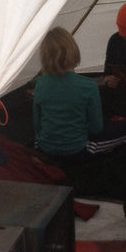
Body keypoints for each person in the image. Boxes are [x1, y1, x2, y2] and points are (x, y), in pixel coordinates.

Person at [33, 27, 103, 161]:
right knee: (124, 131)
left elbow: (37, 124)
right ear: (73, 50)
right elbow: (96, 128)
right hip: (77, 150)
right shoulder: (89, 86)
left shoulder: (40, 84)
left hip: (45, 148)